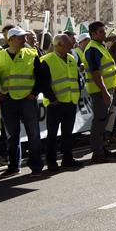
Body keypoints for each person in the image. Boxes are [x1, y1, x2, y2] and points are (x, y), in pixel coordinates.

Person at [0, 27, 44, 177]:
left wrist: (34, 93)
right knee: (12, 135)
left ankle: (36, 166)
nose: (25, 40)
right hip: (8, 101)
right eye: (21, 37)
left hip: (27, 100)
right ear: (11, 39)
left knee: (33, 134)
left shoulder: (32, 54)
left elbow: (41, 76)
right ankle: (14, 166)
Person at [38, 34, 83, 171]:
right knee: (52, 134)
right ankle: (51, 161)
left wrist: (77, 94)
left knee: (67, 133)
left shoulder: (71, 58)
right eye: (68, 44)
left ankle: (67, 158)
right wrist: (52, 99)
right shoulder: (47, 60)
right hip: (55, 104)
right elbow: (43, 83)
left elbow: (75, 78)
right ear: (58, 45)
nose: (71, 46)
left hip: (70, 101)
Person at [85, 21, 116, 163]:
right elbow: (95, 72)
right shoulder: (92, 48)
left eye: (104, 31)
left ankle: (102, 149)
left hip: (107, 90)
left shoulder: (100, 46)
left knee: (104, 122)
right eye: (101, 31)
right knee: (99, 122)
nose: (104, 33)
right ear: (93, 33)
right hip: (100, 92)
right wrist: (104, 91)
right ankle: (97, 153)